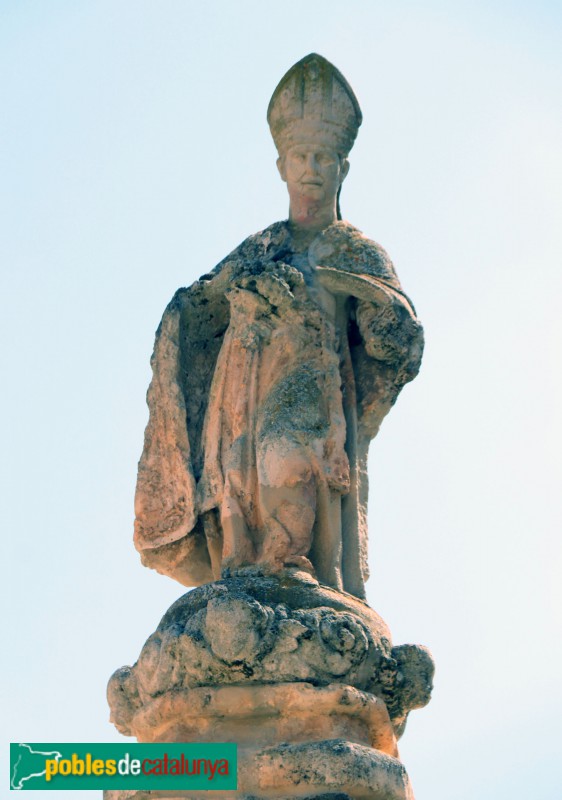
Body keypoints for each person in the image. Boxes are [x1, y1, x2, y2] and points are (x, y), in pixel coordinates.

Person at [133, 54, 423, 600]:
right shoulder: (262, 247)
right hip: (242, 392)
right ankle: (246, 564)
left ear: (343, 169)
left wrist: (374, 311)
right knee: (241, 477)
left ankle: (293, 558)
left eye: (322, 157)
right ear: (281, 167)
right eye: (300, 156)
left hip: (311, 392)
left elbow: (397, 340)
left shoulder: (353, 250)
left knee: (288, 459)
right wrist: (237, 290)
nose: (311, 167)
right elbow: (193, 307)